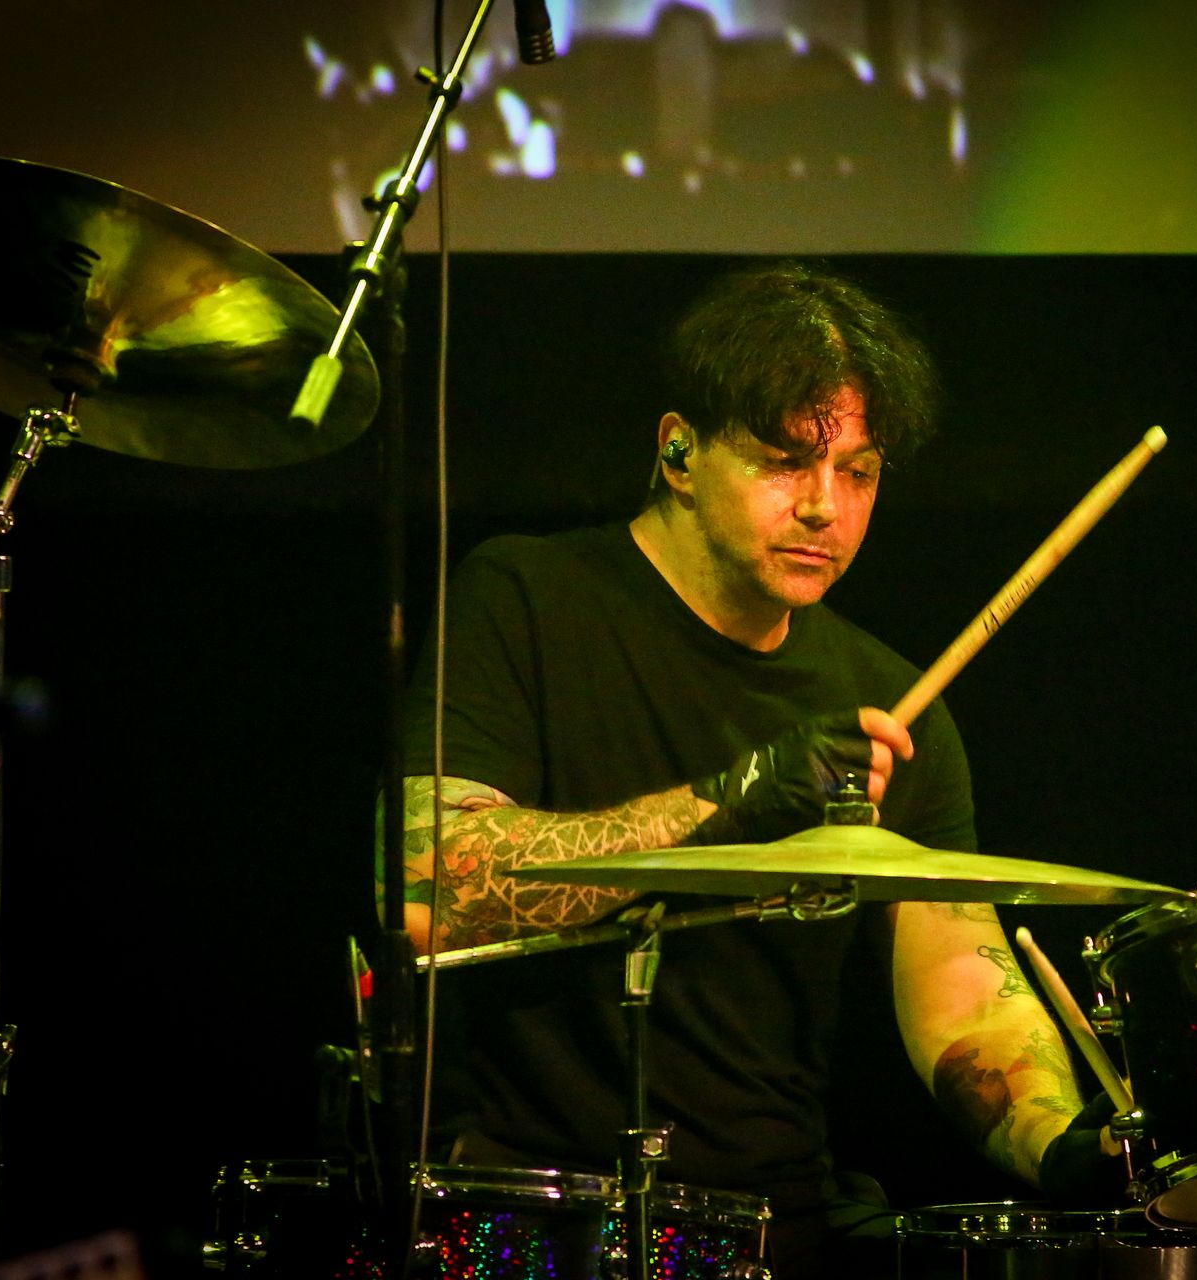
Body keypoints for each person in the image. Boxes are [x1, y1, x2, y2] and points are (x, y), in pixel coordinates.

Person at [381, 261, 1114, 1278]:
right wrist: (729, 803)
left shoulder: (891, 700)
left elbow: (962, 988)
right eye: (784, 461)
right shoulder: (527, 597)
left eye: (858, 472)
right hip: (538, 1225)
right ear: (679, 452)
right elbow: (427, 890)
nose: (824, 507)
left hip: (779, 1229)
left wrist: (1056, 1139)